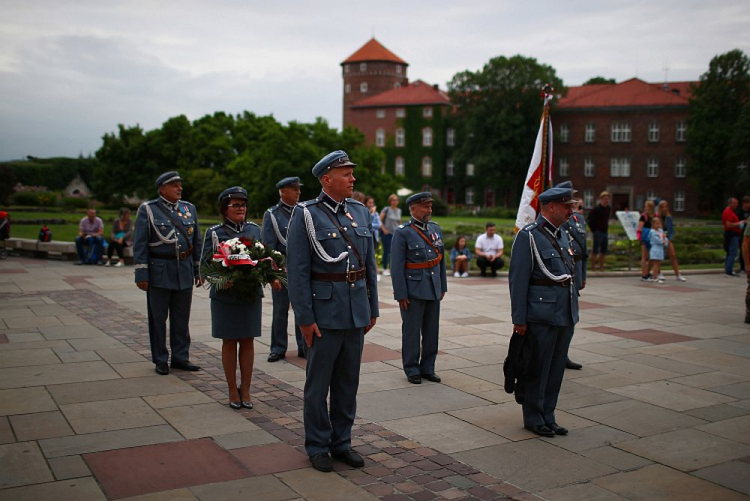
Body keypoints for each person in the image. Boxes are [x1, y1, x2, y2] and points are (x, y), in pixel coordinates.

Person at [286, 150, 379, 473]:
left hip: (355, 311)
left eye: (352, 173)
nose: (353, 178)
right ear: (327, 179)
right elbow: (297, 271)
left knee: (347, 383)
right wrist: (305, 318)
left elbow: (369, 264)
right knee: (318, 384)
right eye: (346, 173)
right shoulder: (307, 214)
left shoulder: (359, 212)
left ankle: (342, 443)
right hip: (324, 313)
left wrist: (372, 307)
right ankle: (317, 444)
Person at [509, 186, 578, 438]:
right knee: (537, 368)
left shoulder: (562, 234)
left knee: (556, 368)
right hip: (540, 314)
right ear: (550, 207)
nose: (571, 210)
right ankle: (533, 417)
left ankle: (549, 415)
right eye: (566, 206)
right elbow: (518, 281)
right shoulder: (529, 236)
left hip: (563, 312)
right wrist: (519, 318)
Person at [203, 186, 281, 409]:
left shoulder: (254, 230)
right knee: (229, 341)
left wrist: (273, 277)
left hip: (249, 294)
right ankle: (231, 390)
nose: (241, 209)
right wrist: (220, 279)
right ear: (224, 209)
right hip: (225, 296)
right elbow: (205, 266)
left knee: (247, 340)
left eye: (243, 205)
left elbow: (265, 258)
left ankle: (246, 389)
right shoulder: (215, 233)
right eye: (235, 205)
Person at [133, 171, 202, 376]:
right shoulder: (149, 210)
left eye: (180, 184)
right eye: (174, 185)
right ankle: (160, 359)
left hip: (184, 270)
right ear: (162, 188)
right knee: (158, 318)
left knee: (181, 318)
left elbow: (196, 240)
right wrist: (141, 274)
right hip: (159, 271)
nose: (179, 188)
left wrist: (197, 269)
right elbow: (140, 243)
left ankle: (181, 357)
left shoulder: (189, 209)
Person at [390, 192, 448, 385]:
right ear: (413, 208)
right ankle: (412, 368)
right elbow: (396, 267)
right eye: (425, 207)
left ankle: (428, 367)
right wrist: (401, 294)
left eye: (430, 206)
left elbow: (441, 260)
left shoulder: (435, 229)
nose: (429, 210)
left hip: (432, 289)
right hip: (413, 290)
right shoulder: (403, 232)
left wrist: (442, 285)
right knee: (412, 332)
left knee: (432, 331)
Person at [263, 177, 305, 362]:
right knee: (280, 310)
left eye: (298, 189)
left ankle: (304, 345)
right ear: (283, 192)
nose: (298, 192)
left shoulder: (301, 211)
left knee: (302, 309)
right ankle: (278, 347)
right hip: (282, 267)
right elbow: (268, 247)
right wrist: (273, 274)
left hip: (301, 267)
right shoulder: (272, 214)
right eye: (293, 189)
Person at [558, 182, 586, 371]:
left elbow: (583, 249)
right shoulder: (561, 219)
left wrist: (582, 275)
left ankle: (563, 354)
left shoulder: (579, 219)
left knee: (572, 317)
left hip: (575, 273)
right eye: (569, 200)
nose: (573, 203)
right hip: (562, 274)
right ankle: (558, 354)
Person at [656, 200, 687, 282]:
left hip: (667, 237)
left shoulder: (668, 217)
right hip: (659, 238)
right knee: (659, 257)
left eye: (666, 207)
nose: (664, 209)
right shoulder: (657, 218)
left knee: (673, 255)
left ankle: (678, 274)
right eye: (663, 207)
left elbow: (670, 229)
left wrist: (668, 238)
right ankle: (659, 273)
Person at [587, 191, 611, 271]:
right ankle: (593, 267)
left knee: (603, 250)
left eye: (607, 199)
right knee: (595, 250)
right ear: (601, 199)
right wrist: (594, 230)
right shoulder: (596, 209)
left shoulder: (608, 209)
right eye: (605, 199)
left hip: (605, 231)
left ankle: (601, 267)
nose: (606, 200)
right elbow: (589, 220)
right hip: (598, 231)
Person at [380, 194, 402, 276]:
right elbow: (380, 220)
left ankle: (393, 268)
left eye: (396, 200)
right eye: (393, 200)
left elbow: (399, 222)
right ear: (390, 201)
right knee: (387, 251)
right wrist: (384, 229)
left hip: (395, 233)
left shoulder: (399, 210)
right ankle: (385, 268)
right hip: (387, 233)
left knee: (394, 252)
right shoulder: (386, 209)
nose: (395, 202)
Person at [722, 197, 742, 277]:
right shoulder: (728, 212)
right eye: (734, 203)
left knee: (730, 252)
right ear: (730, 203)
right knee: (733, 252)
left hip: (733, 234)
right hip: (732, 234)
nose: (736, 205)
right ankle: (729, 270)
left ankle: (728, 269)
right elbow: (728, 224)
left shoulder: (731, 212)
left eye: (737, 203)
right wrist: (739, 223)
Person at [637, 200, 656, 281]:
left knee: (651, 256)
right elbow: (640, 228)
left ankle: (648, 272)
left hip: (653, 238)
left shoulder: (655, 216)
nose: (646, 208)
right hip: (645, 238)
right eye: (645, 206)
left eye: (648, 206)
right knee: (644, 256)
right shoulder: (643, 216)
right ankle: (644, 274)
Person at [364, 195, 382, 281]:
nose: (371, 204)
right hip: (366, 236)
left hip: (373, 236)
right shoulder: (364, 211)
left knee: (372, 255)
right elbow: (366, 224)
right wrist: (371, 214)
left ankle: (377, 273)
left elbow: (378, 225)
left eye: (372, 203)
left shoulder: (375, 213)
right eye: (369, 202)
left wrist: (372, 214)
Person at [648, 217, 668, 284]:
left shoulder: (660, 231)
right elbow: (657, 240)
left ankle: (655, 276)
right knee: (656, 264)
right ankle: (654, 277)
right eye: (656, 224)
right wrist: (663, 240)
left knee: (658, 264)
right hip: (655, 249)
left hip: (660, 249)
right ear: (653, 224)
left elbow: (665, 238)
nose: (658, 225)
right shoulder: (652, 232)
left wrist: (665, 240)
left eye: (659, 223)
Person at [737, 196, 750, 274]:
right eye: (748, 203)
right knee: (744, 248)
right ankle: (743, 266)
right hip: (743, 232)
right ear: (744, 203)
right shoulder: (739, 212)